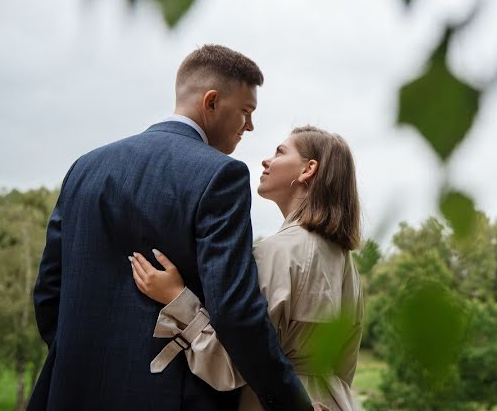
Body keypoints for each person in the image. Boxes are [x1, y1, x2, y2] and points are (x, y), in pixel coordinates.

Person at [29, 45, 319, 411]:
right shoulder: (221, 176)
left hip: (69, 393)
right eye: (246, 112)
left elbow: (48, 293)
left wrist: (81, 362)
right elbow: (236, 311)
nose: (250, 126)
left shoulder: (85, 168)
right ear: (211, 102)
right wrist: (291, 403)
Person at [130, 126, 364, 411]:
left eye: (280, 152)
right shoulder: (345, 260)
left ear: (308, 169)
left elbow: (231, 366)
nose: (267, 161)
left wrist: (177, 298)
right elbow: (346, 364)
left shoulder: (275, 252)